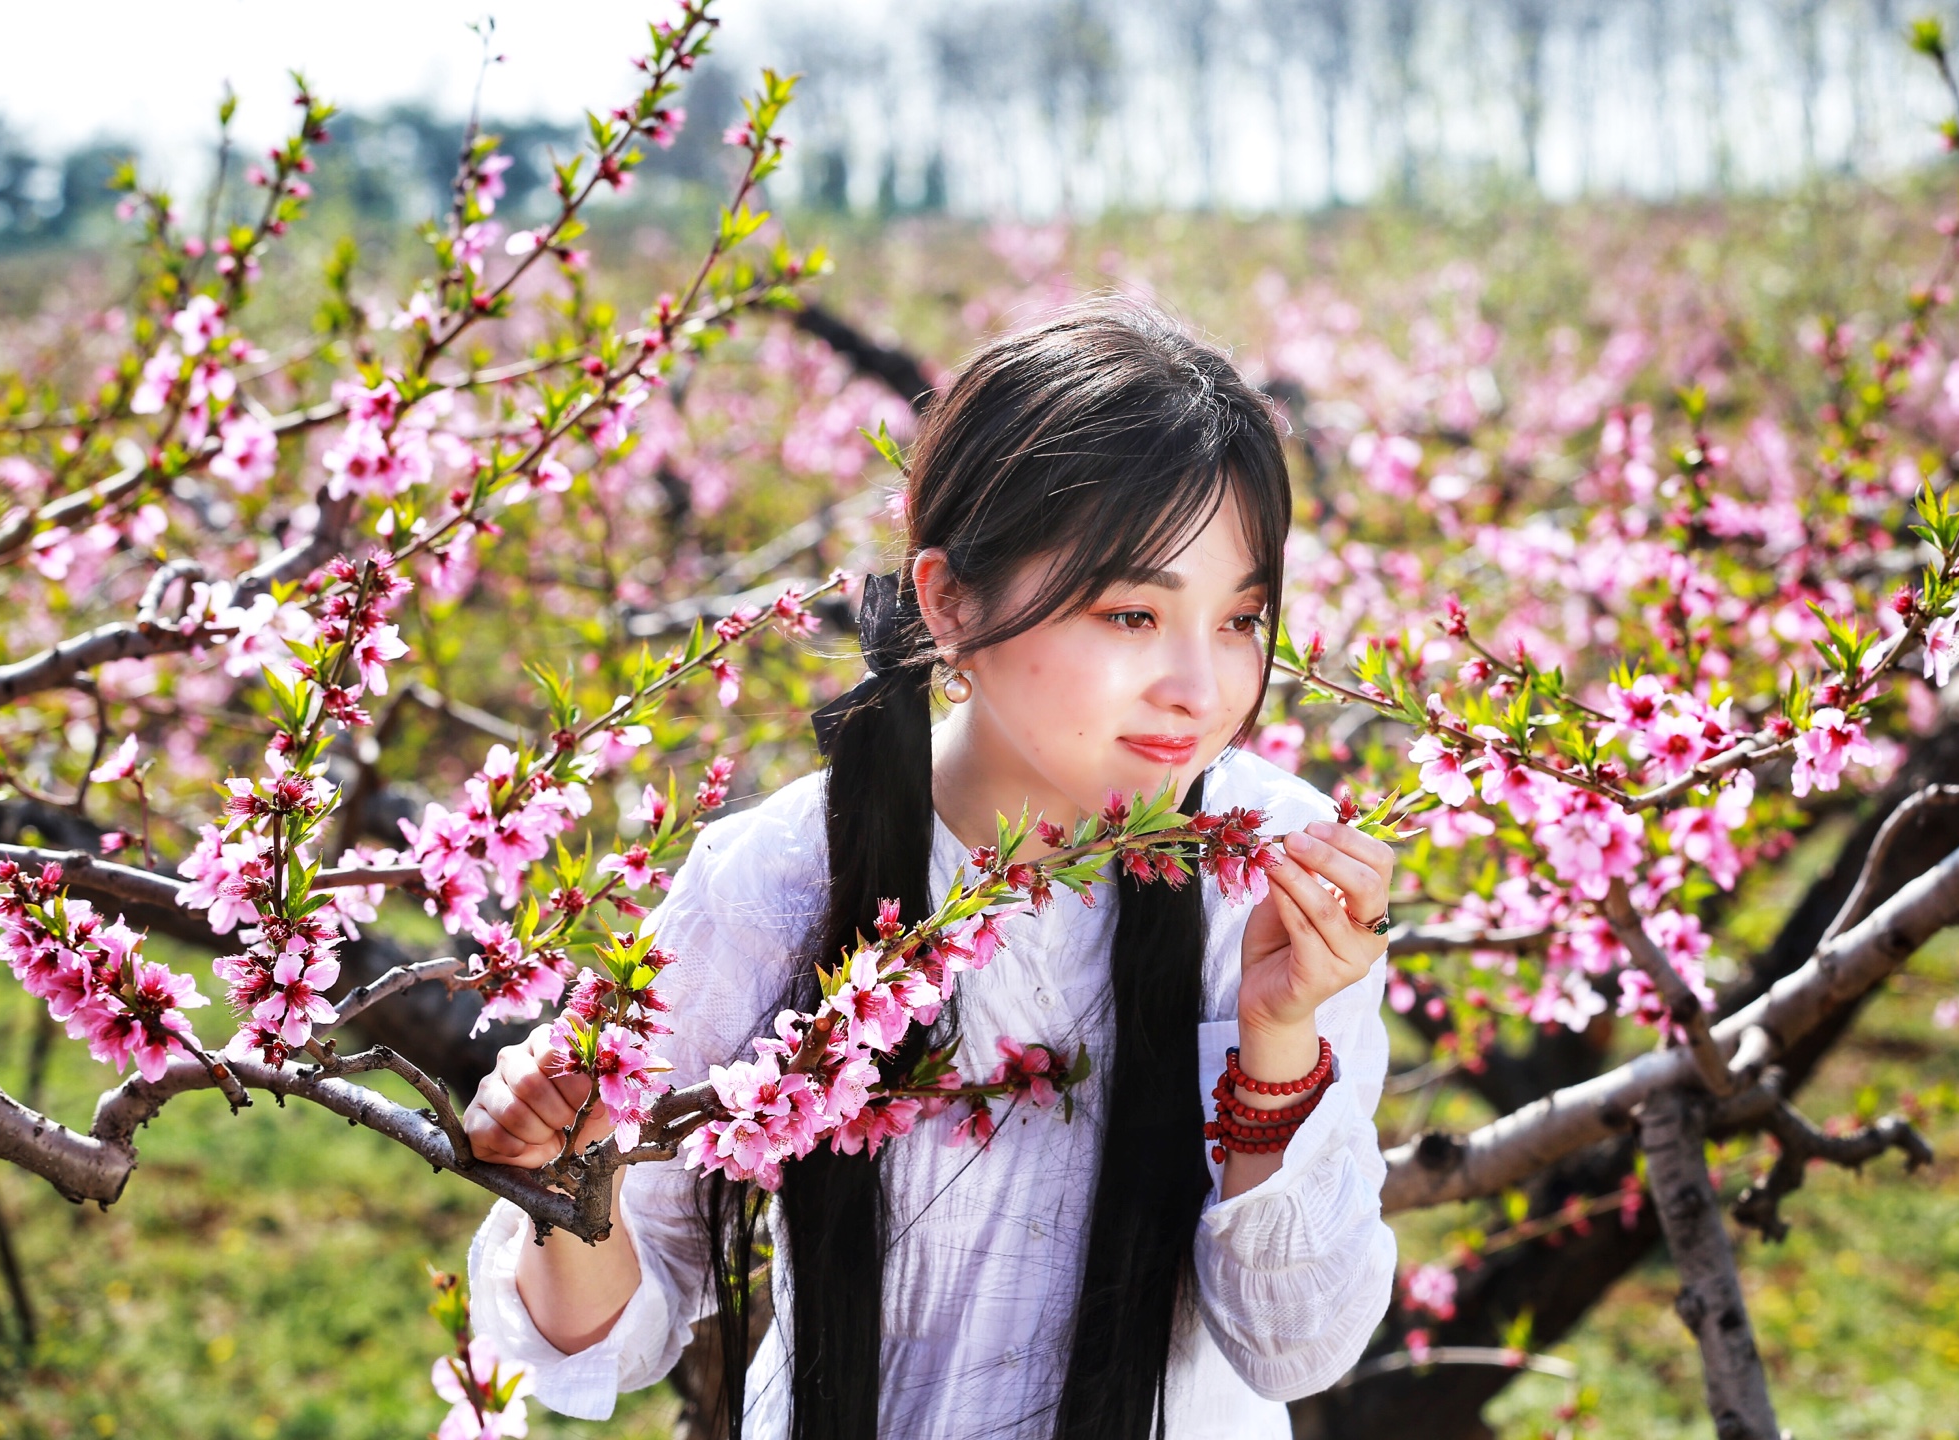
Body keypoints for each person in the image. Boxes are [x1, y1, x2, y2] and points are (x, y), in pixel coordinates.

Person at [461, 299, 1398, 1440]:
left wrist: (1280, 1042)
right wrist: (570, 1174)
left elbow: (1297, 1343)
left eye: (1241, 618)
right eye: (1132, 615)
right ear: (951, 598)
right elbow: (619, 1320)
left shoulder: (1267, 868)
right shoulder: (781, 876)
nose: (1200, 689)